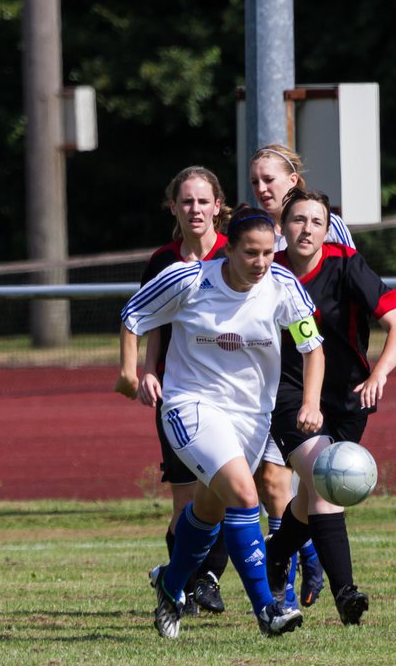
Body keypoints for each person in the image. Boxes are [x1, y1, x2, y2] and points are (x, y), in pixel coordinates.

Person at [120, 205, 325, 638]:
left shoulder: (282, 285)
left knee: (211, 510)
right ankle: (267, 611)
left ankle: (170, 586)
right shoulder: (190, 279)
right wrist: (129, 371)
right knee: (244, 493)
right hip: (190, 405)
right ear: (227, 248)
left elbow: (312, 347)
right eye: (251, 253)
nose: (262, 263)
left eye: (269, 253)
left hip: (251, 417)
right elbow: (133, 315)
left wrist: (310, 402)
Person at [265, 187, 396, 625]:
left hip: (348, 397)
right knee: (328, 478)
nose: (306, 229)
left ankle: (275, 553)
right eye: (297, 220)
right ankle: (346, 593)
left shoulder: (346, 264)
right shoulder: (267, 272)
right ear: (283, 228)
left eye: (315, 221)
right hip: (290, 396)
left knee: (310, 493)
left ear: (327, 230)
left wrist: (378, 373)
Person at [115, 166, 231, 615]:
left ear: (218, 207)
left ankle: (195, 579)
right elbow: (151, 321)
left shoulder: (234, 253)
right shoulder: (163, 261)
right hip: (179, 394)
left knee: (227, 491)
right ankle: (190, 581)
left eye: (204, 201)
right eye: (187, 201)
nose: (196, 209)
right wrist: (147, 371)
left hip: (230, 393)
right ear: (174, 208)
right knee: (186, 500)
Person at [246, 144, 352, 608]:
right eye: (255, 181)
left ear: (294, 180)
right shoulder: (252, 231)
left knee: (314, 485)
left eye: (270, 178)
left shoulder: (324, 224)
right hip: (268, 382)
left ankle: (297, 555)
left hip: (321, 380)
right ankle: (288, 582)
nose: (262, 188)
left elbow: (345, 285)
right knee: (273, 481)